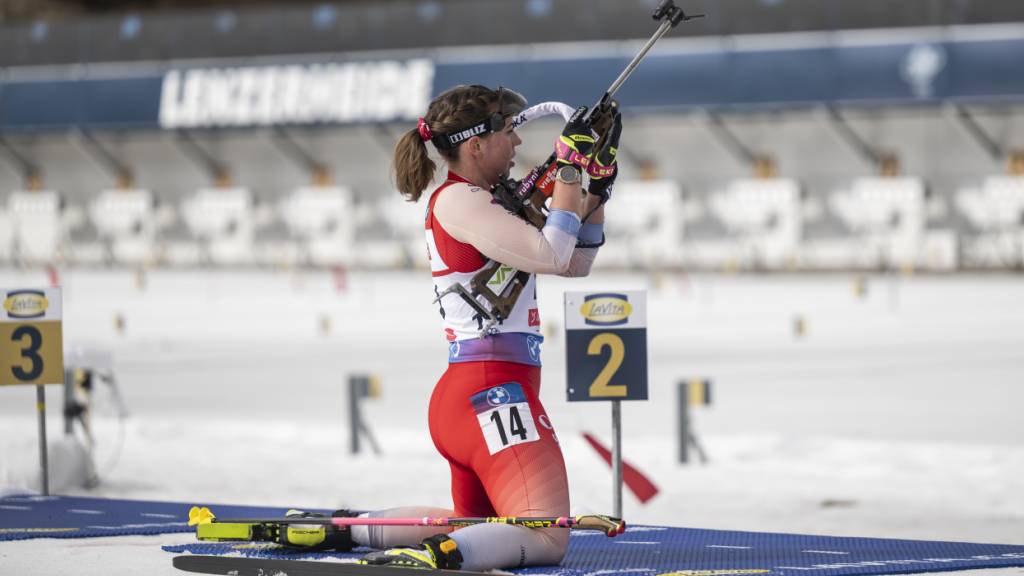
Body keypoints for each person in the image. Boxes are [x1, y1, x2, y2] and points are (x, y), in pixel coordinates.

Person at [324, 84, 621, 572]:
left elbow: (576, 263)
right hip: (490, 393)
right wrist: (569, 167)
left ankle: (350, 529)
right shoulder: (459, 201)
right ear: (475, 144)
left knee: (477, 526)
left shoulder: (483, 200)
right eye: (509, 131)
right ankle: (435, 557)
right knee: (545, 539)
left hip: (480, 396)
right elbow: (553, 253)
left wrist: (597, 184)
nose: (519, 143)